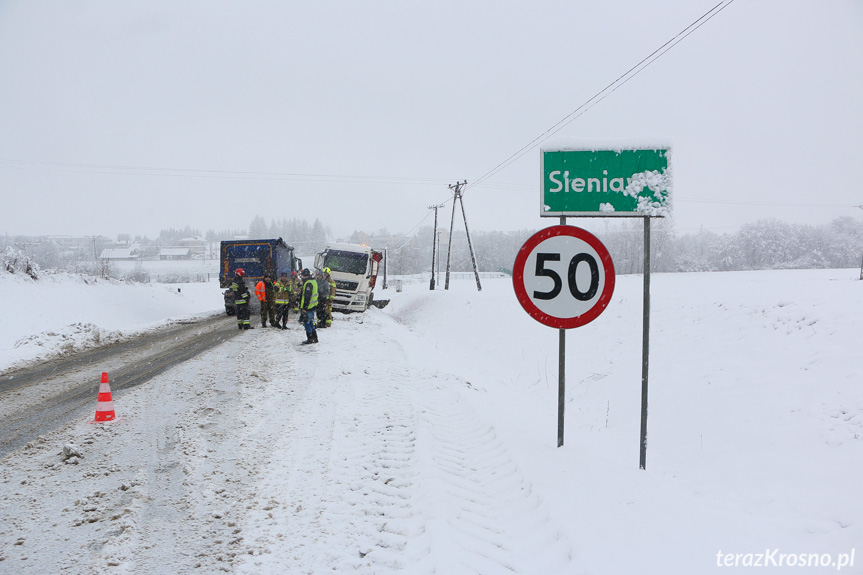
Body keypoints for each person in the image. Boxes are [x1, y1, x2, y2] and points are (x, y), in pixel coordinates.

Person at [299, 268, 319, 344]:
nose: (302, 277)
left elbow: (307, 296)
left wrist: (304, 308)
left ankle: (310, 338)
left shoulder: (308, 283)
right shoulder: (314, 282)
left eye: (303, 276)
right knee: (311, 322)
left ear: (305, 276)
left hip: (308, 307)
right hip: (313, 305)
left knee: (307, 323)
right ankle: (315, 337)